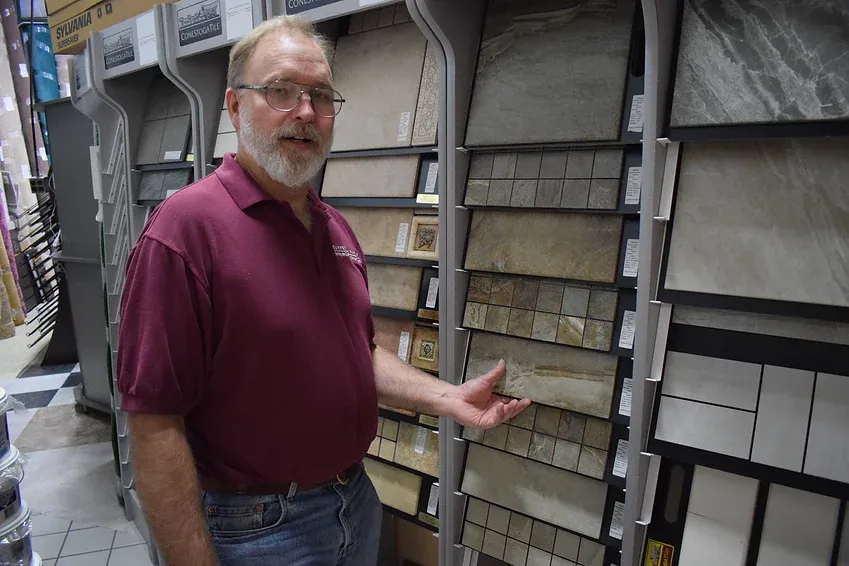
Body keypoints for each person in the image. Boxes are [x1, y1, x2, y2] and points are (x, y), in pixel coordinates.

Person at [117, 15, 529, 566]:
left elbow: (356, 353)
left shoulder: (331, 227)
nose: (305, 112)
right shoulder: (184, 231)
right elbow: (153, 422)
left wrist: (446, 397)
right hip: (255, 530)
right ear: (236, 108)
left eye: (321, 96)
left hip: (352, 505)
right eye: (280, 91)